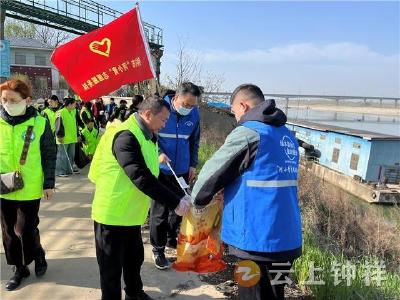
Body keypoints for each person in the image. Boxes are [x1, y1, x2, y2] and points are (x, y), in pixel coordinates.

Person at [191, 84, 302, 300]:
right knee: (274, 293)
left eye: (234, 112)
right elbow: (262, 176)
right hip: (286, 235)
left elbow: (212, 175)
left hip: (257, 238)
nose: (236, 117)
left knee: (253, 294)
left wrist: (197, 200)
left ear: (243, 105)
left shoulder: (249, 133)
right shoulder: (286, 135)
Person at [88, 95, 191, 300]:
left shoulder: (147, 135)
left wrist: (180, 195)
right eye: (163, 120)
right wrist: (174, 203)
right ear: (147, 114)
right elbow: (140, 176)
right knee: (111, 269)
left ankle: (134, 293)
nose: (164, 124)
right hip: (112, 214)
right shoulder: (125, 136)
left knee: (134, 259)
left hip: (131, 214)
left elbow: (154, 174)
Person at [0, 79, 56, 291]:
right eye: (4, 100)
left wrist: (49, 183)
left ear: (27, 100)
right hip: (3, 187)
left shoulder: (40, 123)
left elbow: (50, 154)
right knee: (8, 231)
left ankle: (37, 252)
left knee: (25, 228)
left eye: (13, 100)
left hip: (30, 187)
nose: (7, 104)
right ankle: (19, 268)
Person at [150, 82, 201, 270]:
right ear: (176, 98)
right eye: (186, 104)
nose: (189, 108)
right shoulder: (160, 110)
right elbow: (148, 136)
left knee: (181, 207)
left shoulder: (194, 114)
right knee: (160, 212)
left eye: (192, 105)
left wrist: (192, 164)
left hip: (181, 169)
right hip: (162, 170)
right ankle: (158, 250)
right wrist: (157, 154)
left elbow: (195, 140)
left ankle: (172, 238)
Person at [55, 98, 80, 177]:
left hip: (72, 138)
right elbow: (58, 125)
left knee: (71, 155)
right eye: (74, 104)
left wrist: (77, 135)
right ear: (69, 104)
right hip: (63, 138)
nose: (75, 105)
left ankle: (69, 170)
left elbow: (75, 124)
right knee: (62, 156)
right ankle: (61, 172)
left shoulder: (73, 112)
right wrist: (59, 136)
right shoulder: (60, 112)